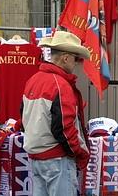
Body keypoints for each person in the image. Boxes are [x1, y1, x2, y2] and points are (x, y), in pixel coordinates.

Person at [20, 31, 91, 196]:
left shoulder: (33, 80)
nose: (76, 64)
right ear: (65, 58)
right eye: (76, 58)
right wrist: (80, 153)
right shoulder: (61, 84)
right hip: (57, 159)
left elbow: (24, 119)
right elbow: (64, 129)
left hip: (36, 157)